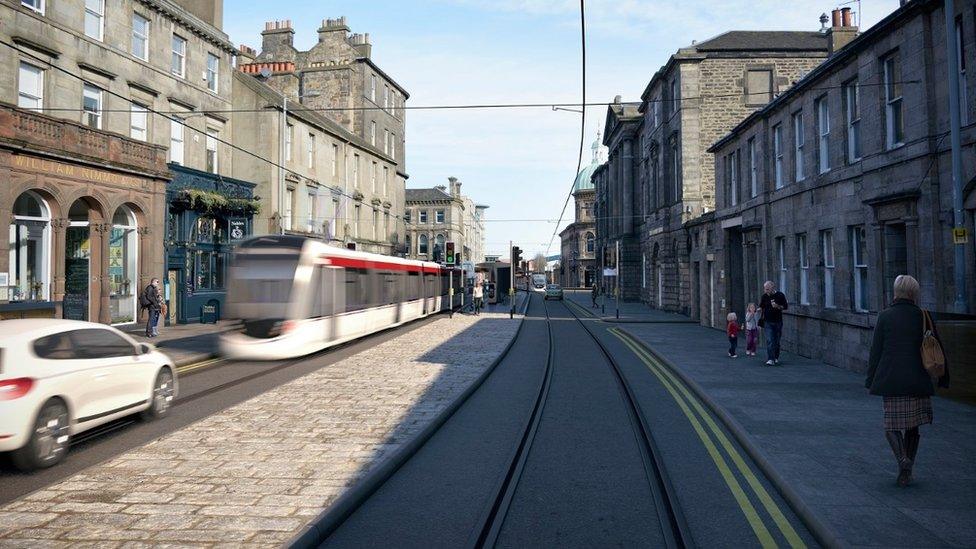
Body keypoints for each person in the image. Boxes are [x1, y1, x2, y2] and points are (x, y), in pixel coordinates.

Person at [865, 275, 950, 487]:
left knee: (891, 426)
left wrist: (870, 380)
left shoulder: (885, 316)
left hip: (891, 379)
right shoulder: (923, 316)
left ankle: (903, 460)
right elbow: (936, 347)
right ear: (914, 292)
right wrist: (943, 378)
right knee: (913, 427)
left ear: (896, 291)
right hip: (918, 378)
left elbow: (876, 351)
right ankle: (906, 473)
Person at [759, 281, 788, 365]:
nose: (765, 291)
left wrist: (778, 306)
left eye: (767, 289)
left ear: (772, 288)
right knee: (769, 340)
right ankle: (770, 359)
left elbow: (785, 307)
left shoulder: (780, 295)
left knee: (776, 341)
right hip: (767, 321)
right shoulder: (764, 296)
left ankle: (775, 357)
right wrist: (757, 310)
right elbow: (761, 306)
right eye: (764, 289)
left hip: (778, 321)